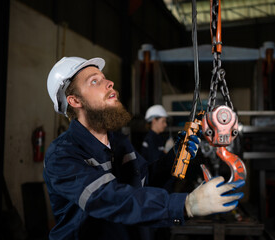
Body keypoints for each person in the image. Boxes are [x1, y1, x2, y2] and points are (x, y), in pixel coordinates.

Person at [44, 56, 245, 240]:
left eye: (105, 78)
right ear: (75, 100)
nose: (109, 83)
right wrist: (185, 205)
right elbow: (109, 198)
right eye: (94, 81)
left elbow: (143, 180)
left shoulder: (119, 141)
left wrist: (174, 157)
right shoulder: (62, 155)